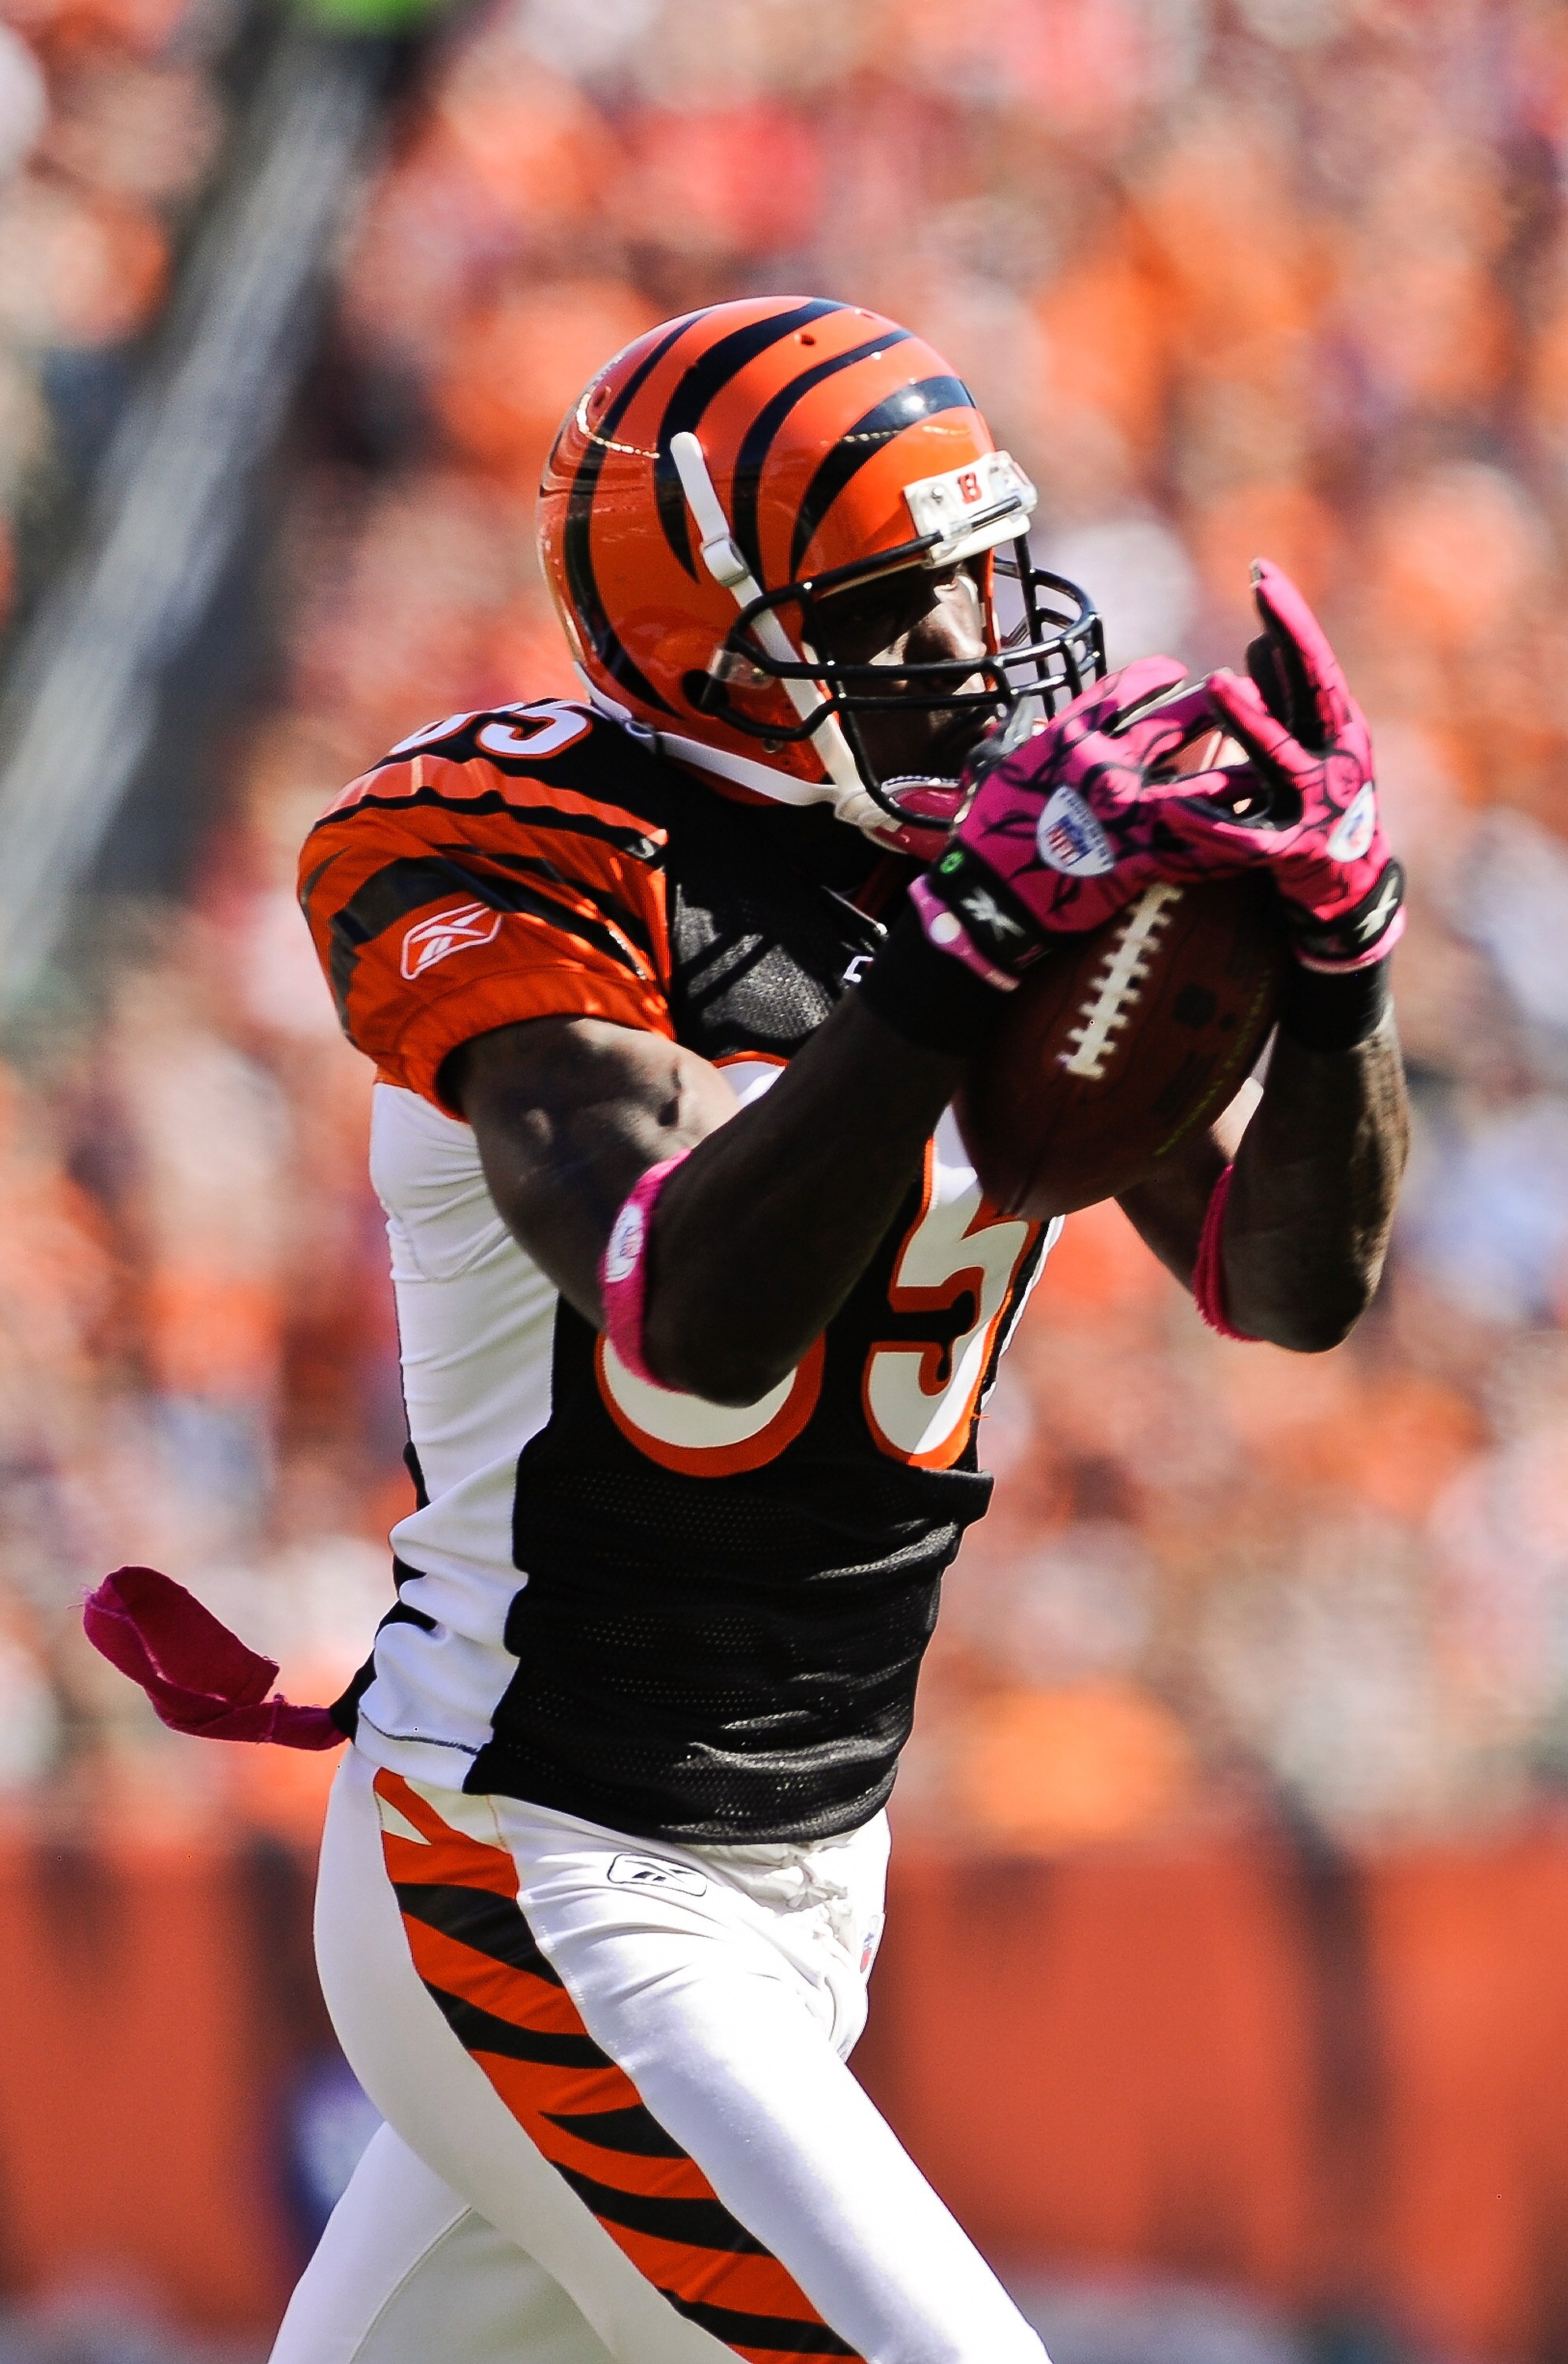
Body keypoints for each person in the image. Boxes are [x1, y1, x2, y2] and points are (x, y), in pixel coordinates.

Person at [104, 297, 1411, 2364]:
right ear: (697, 636)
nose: (970, 654)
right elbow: (680, 1314)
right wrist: (960, 954)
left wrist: (1339, 978)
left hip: (803, 1850)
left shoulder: (988, 852)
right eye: (891, 613)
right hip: (533, 1849)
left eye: (980, 579)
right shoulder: (525, 854)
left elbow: (1281, 1280)